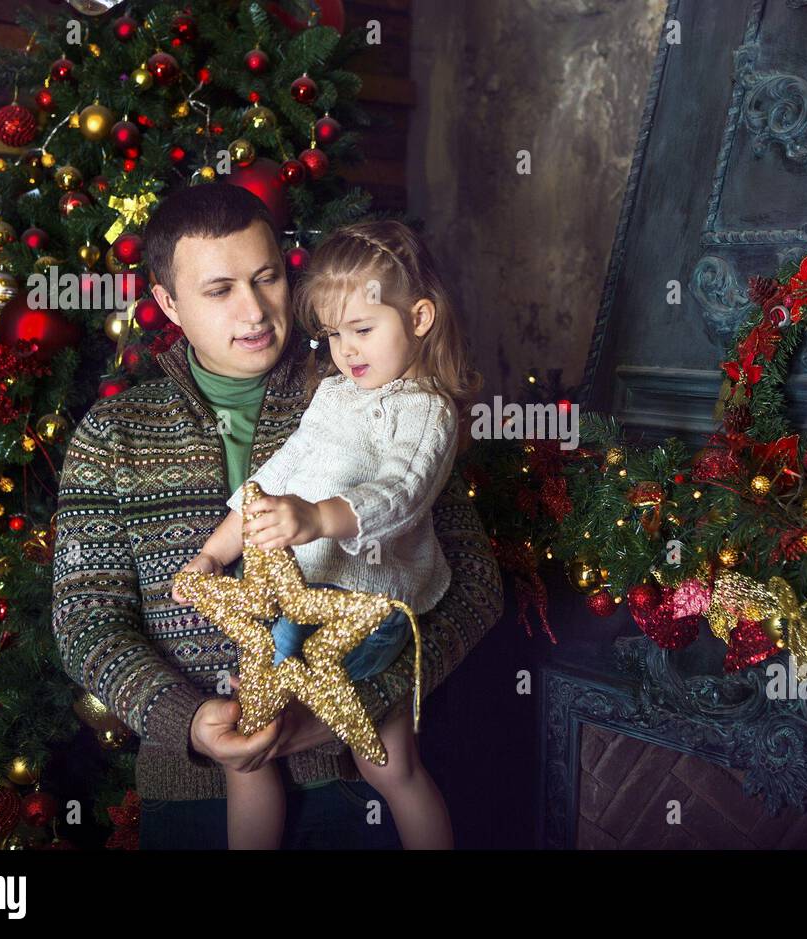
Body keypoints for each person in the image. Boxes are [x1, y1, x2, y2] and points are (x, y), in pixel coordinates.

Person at [51, 185, 503, 849]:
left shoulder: (368, 385)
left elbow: (474, 587)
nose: (256, 309)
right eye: (219, 289)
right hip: (194, 799)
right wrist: (194, 720)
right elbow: (85, 622)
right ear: (167, 303)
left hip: (352, 789)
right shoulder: (112, 434)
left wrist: (363, 701)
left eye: (267, 278)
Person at [172, 220, 480, 849]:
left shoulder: (426, 410)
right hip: (298, 593)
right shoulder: (334, 395)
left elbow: (399, 494)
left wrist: (315, 519)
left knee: (359, 758)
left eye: (362, 330)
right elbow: (275, 475)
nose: (346, 350)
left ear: (419, 317)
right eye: (335, 335)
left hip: (367, 609)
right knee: (277, 752)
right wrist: (210, 554)